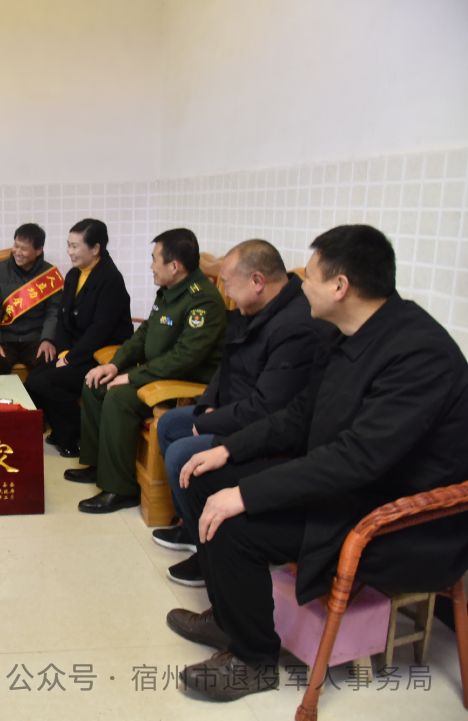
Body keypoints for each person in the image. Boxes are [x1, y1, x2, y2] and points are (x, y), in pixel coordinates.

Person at [168, 225, 468, 702]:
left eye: (309, 276)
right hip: (345, 486)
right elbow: (299, 414)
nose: (301, 284)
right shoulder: (344, 333)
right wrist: (229, 449)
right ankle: (229, 620)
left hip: (394, 517)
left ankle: (253, 661)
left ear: (340, 286)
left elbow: (358, 458)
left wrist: (246, 494)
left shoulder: (419, 353)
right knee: (209, 480)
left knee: (234, 524)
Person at [151, 239, 334, 588]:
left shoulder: (296, 325)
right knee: (170, 423)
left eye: (229, 284)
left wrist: (208, 421)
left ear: (257, 281)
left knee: (182, 452)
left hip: (260, 425)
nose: (227, 293)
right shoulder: (255, 308)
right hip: (232, 407)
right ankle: (192, 525)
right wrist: (206, 405)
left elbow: (268, 407)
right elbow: (227, 363)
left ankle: (209, 548)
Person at [69, 228, 225, 513]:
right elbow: (143, 336)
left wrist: (132, 376)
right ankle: (98, 465)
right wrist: (114, 364)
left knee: (118, 398)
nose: (151, 266)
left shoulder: (203, 300)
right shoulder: (169, 291)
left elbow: (185, 358)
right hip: (157, 374)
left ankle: (120, 489)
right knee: (95, 383)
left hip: (182, 384)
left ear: (174, 266)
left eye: (155, 259)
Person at [24, 219, 133, 458]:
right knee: (33, 379)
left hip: (103, 355)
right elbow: (63, 319)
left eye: (75, 246)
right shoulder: (74, 274)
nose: (69, 251)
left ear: (95, 249)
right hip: (77, 351)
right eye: (68, 245)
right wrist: (64, 353)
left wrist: (71, 358)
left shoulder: (110, 279)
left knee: (47, 382)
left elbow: (99, 331)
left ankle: (77, 434)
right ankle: (64, 431)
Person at [0, 223, 64, 375]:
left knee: (48, 361)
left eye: (24, 249)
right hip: (4, 338)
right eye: (16, 246)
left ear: (39, 250)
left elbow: (54, 312)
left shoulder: (50, 275)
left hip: (36, 338)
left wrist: (48, 339)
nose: (17, 252)